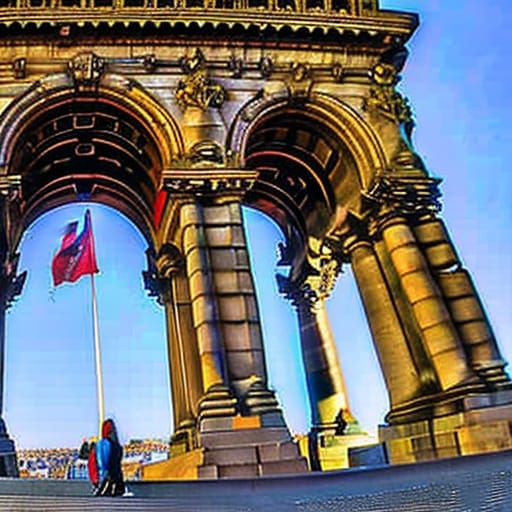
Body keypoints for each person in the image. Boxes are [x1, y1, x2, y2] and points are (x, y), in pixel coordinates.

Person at [94, 419, 125, 497]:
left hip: (108, 478)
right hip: (117, 480)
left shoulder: (104, 444)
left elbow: (102, 461)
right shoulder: (117, 445)